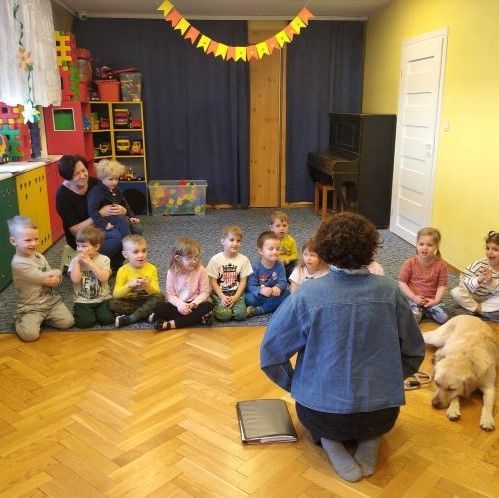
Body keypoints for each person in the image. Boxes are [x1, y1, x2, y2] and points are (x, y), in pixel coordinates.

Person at [260, 212, 425, 482]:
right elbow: (414, 351)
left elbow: (271, 354)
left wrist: (297, 385)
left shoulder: (306, 295)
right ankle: (370, 439)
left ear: (325, 249)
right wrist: (390, 379)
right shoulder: (390, 291)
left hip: (321, 412)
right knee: (373, 423)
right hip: (381, 412)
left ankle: (329, 440)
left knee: (320, 422)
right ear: (371, 248)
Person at [8, 216, 74, 341]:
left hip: (50, 302)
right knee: (30, 335)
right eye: (28, 240)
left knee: (68, 322)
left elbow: (51, 275)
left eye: (36, 239)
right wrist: (58, 274)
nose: (34, 243)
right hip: (31, 306)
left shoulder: (38, 256)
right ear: (13, 241)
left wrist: (56, 279)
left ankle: (42, 318)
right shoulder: (18, 263)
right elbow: (43, 277)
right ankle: (19, 320)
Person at [55, 154, 126, 270]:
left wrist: (123, 210)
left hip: (103, 224)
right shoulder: (62, 196)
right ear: (67, 176)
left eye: (83, 170)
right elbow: (75, 231)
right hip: (82, 236)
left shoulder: (94, 182)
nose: (82, 176)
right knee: (116, 237)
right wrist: (99, 214)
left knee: (132, 228)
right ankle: (97, 266)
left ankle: (115, 264)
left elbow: (113, 199)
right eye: (76, 174)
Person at [151, 236, 214, 330]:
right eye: (189, 258)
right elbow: (171, 295)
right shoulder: (171, 272)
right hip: (178, 304)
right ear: (178, 258)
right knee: (160, 307)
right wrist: (180, 305)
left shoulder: (201, 270)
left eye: (196, 257)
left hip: (195, 304)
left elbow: (204, 292)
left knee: (208, 306)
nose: (194, 261)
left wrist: (193, 304)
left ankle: (170, 324)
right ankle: (198, 319)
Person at [398, 227, 450, 324]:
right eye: (421, 244)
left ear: (436, 247)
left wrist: (436, 300)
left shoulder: (441, 265)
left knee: (445, 317)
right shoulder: (409, 263)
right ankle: (419, 312)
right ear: (417, 245)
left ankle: (425, 311)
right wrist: (413, 297)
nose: (425, 247)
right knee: (412, 319)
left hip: (431, 300)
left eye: (429, 245)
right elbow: (402, 282)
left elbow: (442, 284)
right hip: (413, 299)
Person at [109, 234, 162, 327]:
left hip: (145, 300)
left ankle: (131, 318)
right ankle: (144, 314)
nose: (141, 255)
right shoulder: (122, 270)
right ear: (125, 255)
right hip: (129, 302)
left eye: (144, 251)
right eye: (135, 252)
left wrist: (147, 286)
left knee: (160, 297)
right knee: (111, 303)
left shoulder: (152, 268)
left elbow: (156, 292)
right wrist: (129, 285)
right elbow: (116, 294)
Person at [68, 226, 115, 328]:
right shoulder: (75, 261)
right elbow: (75, 280)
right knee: (85, 323)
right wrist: (77, 263)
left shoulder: (104, 259)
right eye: (78, 245)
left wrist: (90, 263)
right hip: (82, 300)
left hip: (102, 298)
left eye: (84, 246)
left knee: (108, 319)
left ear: (97, 246)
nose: (80, 249)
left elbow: (103, 278)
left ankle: (97, 312)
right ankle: (83, 311)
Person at [206, 225, 252, 322]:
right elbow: (212, 281)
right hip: (220, 293)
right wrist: (222, 296)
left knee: (241, 316)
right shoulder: (215, 260)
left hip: (236, 292)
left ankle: (245, 310)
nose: (235, 243)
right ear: (223, 241)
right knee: (224, 316)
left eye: (238, 241)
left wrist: (235, 297)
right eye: (231, 240)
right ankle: (212, 305)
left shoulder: (244, 260)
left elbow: (243, 281)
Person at [451, 230, 499, 322]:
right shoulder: (479, 264)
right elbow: (463, 282)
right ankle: (480, 310)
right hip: (472, 296)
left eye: (495, 249)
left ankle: (476, 310)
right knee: (456, 291)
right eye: (487, 248)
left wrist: (491, 282)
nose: (490, 252)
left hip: (489, 299)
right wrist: (478, 280)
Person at [86, 159, 142, 237]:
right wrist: (104, 224)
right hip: (106, 219)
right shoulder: (96, 192)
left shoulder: (116, 190)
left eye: (116, 179)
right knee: (123, 222)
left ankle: (134, 242)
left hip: (120, 217)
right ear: (102, 178)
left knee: (138, 229)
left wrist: (131, 216)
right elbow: (92, 211)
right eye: (111, 179)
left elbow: (125, 204)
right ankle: (126, 242)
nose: (115, 182)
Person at [245, 231, 290, 316]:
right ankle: (269, 306)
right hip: (259, 296)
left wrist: (278, 287)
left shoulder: (280, 265)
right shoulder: (255, 267)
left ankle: (260, 310)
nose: (275, 252)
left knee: (287, 294)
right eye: (271, 249)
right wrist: (261, 290)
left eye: (278, 249)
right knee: (248, 298)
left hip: (274, 294)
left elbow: (283, 281)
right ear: (260, 251)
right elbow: (251, 286)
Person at [269, 210, 298, 279]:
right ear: (271, 228)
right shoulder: (269, 241)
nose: (281, 228)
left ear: (288, 226)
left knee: (297, 266)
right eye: (278, 226)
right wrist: (276, 259)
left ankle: (285, 277)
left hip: (287, 264)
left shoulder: (291, 240)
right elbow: (266, 254)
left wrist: (286, 260)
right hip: (273, 263)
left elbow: (295, 255)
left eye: (284, 225)